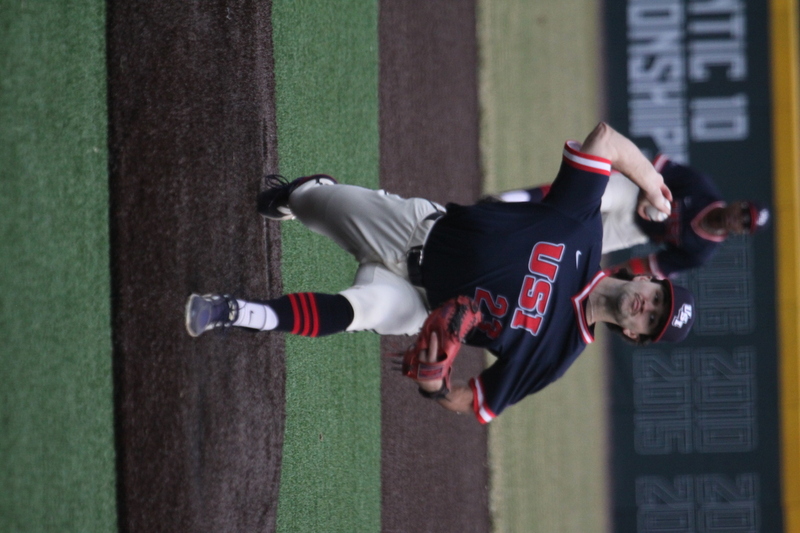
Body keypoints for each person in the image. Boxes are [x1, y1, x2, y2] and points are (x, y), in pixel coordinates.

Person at [184, 122, 696, 424]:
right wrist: (653, 185)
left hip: (418, 303)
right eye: (658, 300)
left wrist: (433, 385)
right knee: (306, 200)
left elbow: (475, 403)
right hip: (414, 228)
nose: (647, 309)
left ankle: (236, 312)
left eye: (652, 321)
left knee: (360, 310)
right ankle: (304, 193)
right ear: (649, 280)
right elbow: (605, 139)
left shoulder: (557, 353)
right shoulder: (584, 229)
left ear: (633, 334)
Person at [483, 154, 770, 279]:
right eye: (744, 212)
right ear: (739, 203)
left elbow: (648, 264)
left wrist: (604, 277)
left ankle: (501, 250)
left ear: (743, 233)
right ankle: (504, 202)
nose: (740, 219)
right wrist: (650, 191)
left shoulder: (701, 252)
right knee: (575, 194)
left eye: (747, 223)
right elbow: (656, 165)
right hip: (631, 191)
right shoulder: (701, 187)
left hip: (632, 231)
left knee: (568, 247)